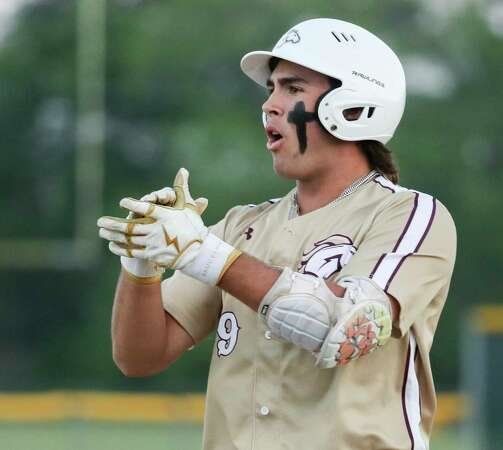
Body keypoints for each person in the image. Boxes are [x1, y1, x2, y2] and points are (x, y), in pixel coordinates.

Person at [97, 17, 456, 450]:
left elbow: (348, 327)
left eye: (293, 88)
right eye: (271, 89)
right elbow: (140, 356)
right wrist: (142, 265)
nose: (270, 104)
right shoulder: (239, 227)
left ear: (356, 107)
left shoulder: (410, 214)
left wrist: (206, 255)